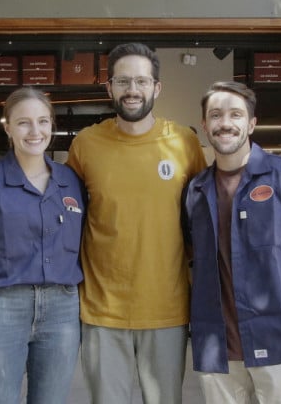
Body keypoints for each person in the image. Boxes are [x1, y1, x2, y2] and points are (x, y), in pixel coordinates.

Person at [67, 42, 207, 404]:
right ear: (109, 86)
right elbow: (68, 220)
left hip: (167, 307)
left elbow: (203, 219)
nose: (133, 90)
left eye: (142, 81)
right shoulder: (85, 145)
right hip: (101, 309)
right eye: (124, 81)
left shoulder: (185, 143)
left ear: (156, 88)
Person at [184, 81, 281, 404]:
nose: (225, 123)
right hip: (217, 349)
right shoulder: (195, 191)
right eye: (216, 115)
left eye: (235, 114)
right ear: (205, 126)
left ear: (251, 124)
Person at [0, 87, 87, 404]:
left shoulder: (72, 182)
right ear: (7, 127)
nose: (35, 131)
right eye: (23, 123)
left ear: (51, 124)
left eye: (42, 121)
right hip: (1, 309)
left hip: (62, 311)